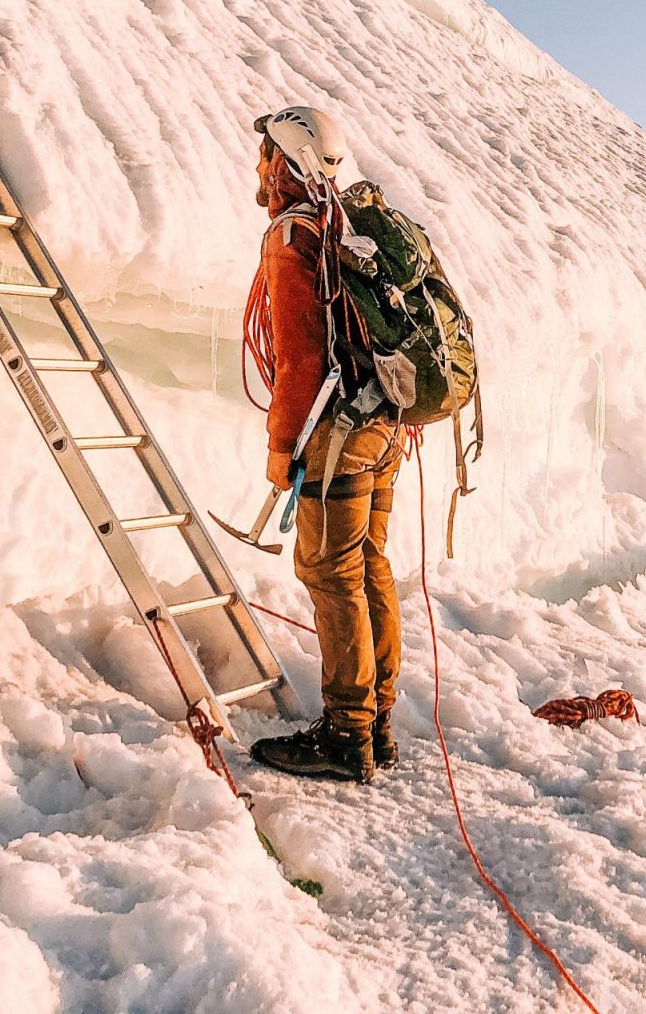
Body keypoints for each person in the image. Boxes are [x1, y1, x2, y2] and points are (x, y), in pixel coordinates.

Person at [245, 107, 404, 784]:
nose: (257, 166)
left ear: (285, 162)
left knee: (331, 574)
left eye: (264, 155)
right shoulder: (348, 222)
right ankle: (377, 721)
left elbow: (303, 361)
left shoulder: (292, 234)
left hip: (337, 433)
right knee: (367, 565)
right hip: (384, 425)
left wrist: (283, 450)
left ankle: (346, 735)